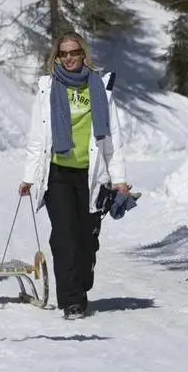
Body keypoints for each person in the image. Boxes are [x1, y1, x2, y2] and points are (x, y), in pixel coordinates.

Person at [18, 31, 129, 320]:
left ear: (83, 54)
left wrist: (118, 179)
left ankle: (81, 280)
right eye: (63, 54)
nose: (69, 58)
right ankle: (72, 300)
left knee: (86, 240)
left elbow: (112, 139)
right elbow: (37, 137)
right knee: (65, 236)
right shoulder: (47, 88)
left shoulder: (100, 88)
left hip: (92, 176)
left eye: (74, 52)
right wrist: (29, 177)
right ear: (57, 57)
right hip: (58, 173)